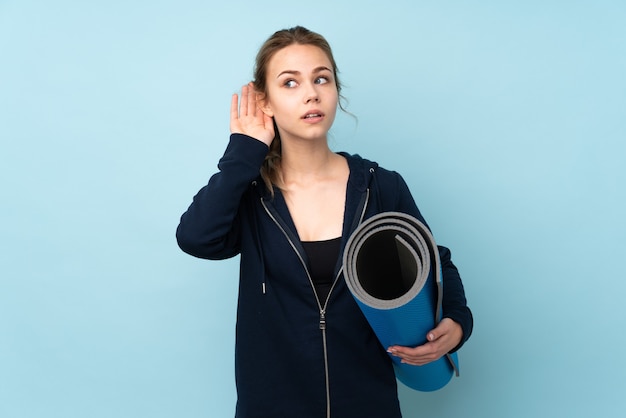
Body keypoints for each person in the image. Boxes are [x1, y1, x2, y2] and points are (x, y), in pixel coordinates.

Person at [176, 26, 473, 418]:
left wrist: (456, 321)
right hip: (270, 407)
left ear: (335, 90)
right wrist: (243, 153)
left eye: (321, 78)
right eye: (290, 83)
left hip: (369, 404)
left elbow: (435, 261)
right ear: (264, 102)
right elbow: (197, 239)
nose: (311, 93)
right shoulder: (250, 195)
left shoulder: (378, 187)